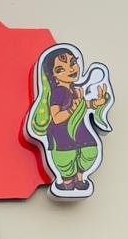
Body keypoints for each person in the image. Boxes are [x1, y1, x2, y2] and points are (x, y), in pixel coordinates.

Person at [27, 44, 113, 199]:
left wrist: (97, 103)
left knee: (89, 153)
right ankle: (67, 184)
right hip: (62, 138)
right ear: (52, 76)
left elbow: (83, 105)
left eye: (73, 63)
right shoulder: (58, 93)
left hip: (81, 133)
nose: (71, 70)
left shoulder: (75, 90)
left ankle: (80, 181)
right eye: (61, 69)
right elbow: (57, 117)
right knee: (66, 161)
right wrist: (73, 108)